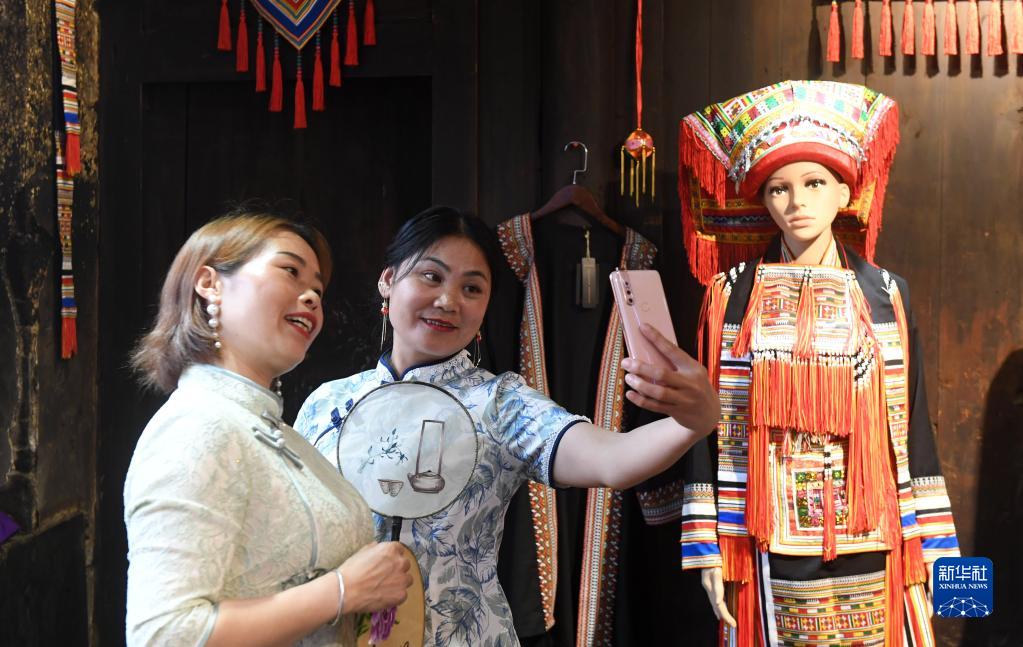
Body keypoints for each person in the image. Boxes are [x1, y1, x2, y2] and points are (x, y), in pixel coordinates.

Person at [296, 206, 720, 646]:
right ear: (388, 280)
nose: (448, 301)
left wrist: (694, 423)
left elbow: (611, 459)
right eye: (431, 276)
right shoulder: (326, 403)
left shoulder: (500, 405)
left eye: (472, 288)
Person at [677, 80, 960, 646]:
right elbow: (704, 424)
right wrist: (706, 545)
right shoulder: (730, 297)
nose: (797, 202)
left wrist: (937, 549)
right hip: (764, 534)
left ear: (843, 193)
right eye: (779, 188)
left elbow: (911, 424)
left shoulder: (887, 295)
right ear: (763, 200)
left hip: (874, 528)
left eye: (814, 183)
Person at [124, 211, 413, 646]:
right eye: (290, 271)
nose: (311, 296)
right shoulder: (195, 426)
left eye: (318, 289)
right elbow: (164, 635)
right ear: (209, 283)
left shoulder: (275, 432)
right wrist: (342, 591)